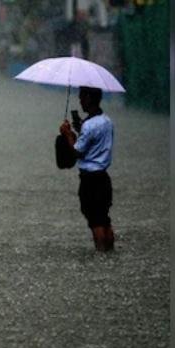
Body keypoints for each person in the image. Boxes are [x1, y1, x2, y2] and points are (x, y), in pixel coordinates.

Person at [59, 86, 115, 252]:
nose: (80, 100)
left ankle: (100, 255)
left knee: (94, 220)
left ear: (90, 98)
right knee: (104, 219)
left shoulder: (89, 126)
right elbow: (95, 140)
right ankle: (109, 254)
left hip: (90, 180)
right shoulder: (106, 121)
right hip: (104, 178)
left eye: (82, 96)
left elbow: (77, 152)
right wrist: (80, 128)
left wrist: (68, 134)